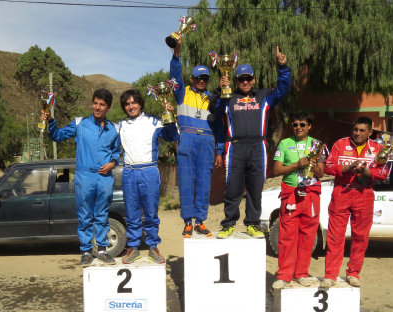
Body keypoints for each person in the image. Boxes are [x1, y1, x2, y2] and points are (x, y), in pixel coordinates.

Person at [211, 46, 291, 239]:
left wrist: (283, 67)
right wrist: (222, 89)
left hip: (258, 147)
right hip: (235, 146)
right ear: (236, 81)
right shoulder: (229, 97)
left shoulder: (264, 96)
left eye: (249, 78)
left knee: (256, 187)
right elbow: (216, 108)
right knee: (233, 188)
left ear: (254, 79)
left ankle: (253, 224)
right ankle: (228, 224)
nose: (245, 81)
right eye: (241, 79)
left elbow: (283, 88)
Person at [45, 88, 119, 266]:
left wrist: (113, 163)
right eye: (95, 103)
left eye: (102, 105)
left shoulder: (114, 129)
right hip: (85, 175)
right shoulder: (80, 123)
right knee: (85, 215)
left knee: (102, 214)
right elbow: (57, 135)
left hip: (105, 177)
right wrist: (50, 122)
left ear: (108, 107)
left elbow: (116, 152)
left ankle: (102, 250)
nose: (97, 107)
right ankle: (86, 251)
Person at [322, 116, 390, 288]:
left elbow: (384, 173)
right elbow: (328, 167)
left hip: (364, 194)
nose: (357, 133)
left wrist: (366, 171)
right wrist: (346, 168)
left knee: (360, 237)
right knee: (335, 236)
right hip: (341, 192)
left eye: (362, 130)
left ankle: (353, 273)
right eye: (355, 129)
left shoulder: (377, 148)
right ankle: (330, 275)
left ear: (370, 132)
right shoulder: (340, 144)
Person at [170, 38, 223, 238]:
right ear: (191, 78)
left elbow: (219, 126)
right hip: (187, 139)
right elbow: (174, 76)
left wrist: (219, 151)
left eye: (205, 78)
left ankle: (200, 221)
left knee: (203, 183)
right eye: (198, 78)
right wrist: (176, 55)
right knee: (186, 181)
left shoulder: (213, 99)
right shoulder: (182, 92)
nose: (201, 81)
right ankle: (187, 222)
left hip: (208, 142)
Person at [118, 89, 179, 264]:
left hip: (149, 170)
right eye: (127, 104)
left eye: (134, 102)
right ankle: (134, 248)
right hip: (129, 172)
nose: (131, 106)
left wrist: (170, 116)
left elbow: (172, 136)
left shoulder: (154, 121)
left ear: (140, 104)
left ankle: (153, 247)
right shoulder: (121, 125)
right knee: (132, 213)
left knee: (151, 212)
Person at [271, 113, 327, 289]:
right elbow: (276, 170)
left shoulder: (317, 145)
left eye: (302, 124)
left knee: (308, 236)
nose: (298, 128)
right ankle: (284, 275)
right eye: (295, 125)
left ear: (309, 126)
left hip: (310, 194)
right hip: (291, 194)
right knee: (287, 236)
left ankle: (301, 273)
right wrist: (297, 164)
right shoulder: (285, 143)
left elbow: (321, 173)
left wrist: (313, 163)